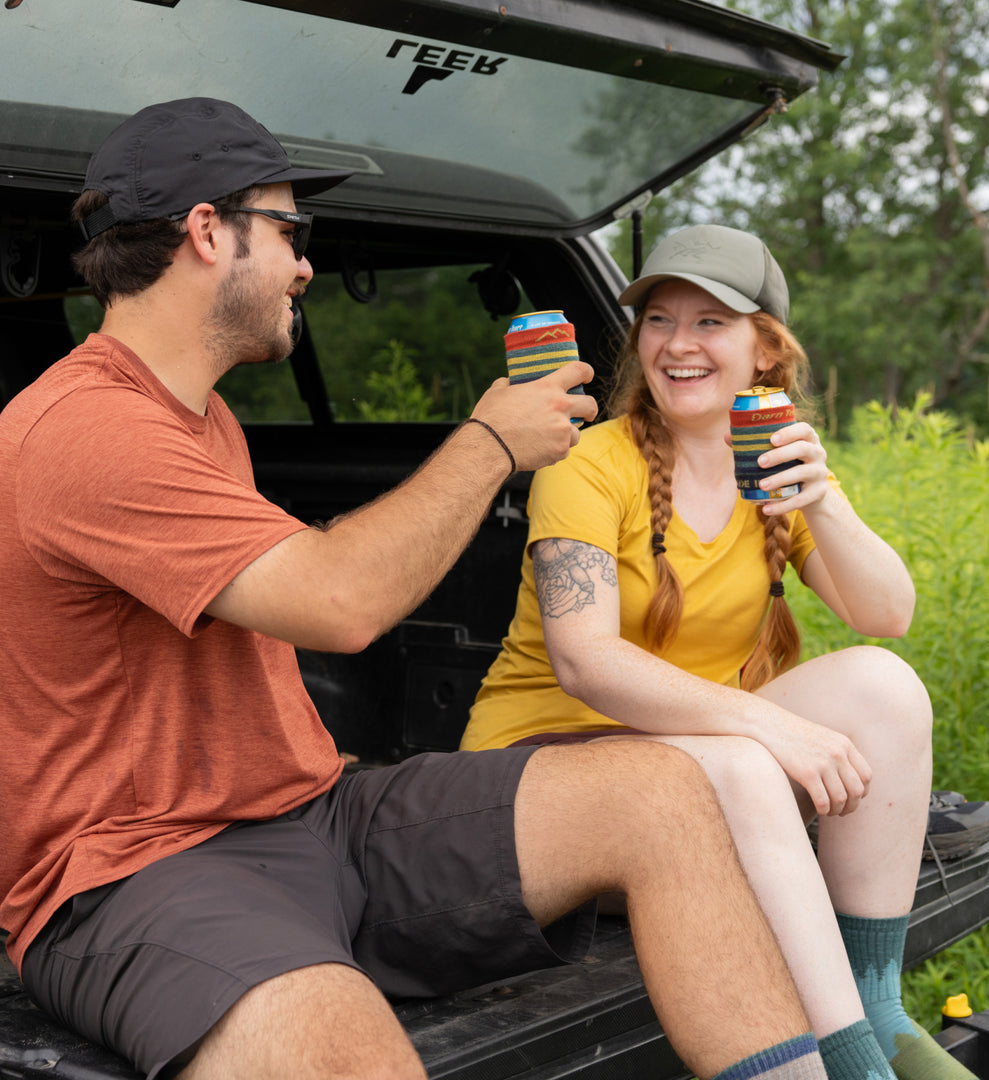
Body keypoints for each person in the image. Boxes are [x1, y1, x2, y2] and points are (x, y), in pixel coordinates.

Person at [0, 99, 833, 1080]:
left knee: (662, 792)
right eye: (289, 231)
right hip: (131, 875)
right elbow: (337, 604)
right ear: (207, 231)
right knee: (346, 1047)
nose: (307, 262)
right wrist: (489, 445)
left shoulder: (203, 420)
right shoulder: (84, 430)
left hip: (312, 820)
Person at [461, 224, 978, 1080]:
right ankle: (851, 1058)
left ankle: (874, 1005)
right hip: (534, 778)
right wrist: (772, 733)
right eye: (659, 320)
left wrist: (827, 503)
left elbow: (888, 615)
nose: (678, 344)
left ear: (765, 349)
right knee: (738, 761)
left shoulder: (774, 468)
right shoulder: (588, 465)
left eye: (711, 322)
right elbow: (585, 661)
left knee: (883, 686)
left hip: (693, 765)